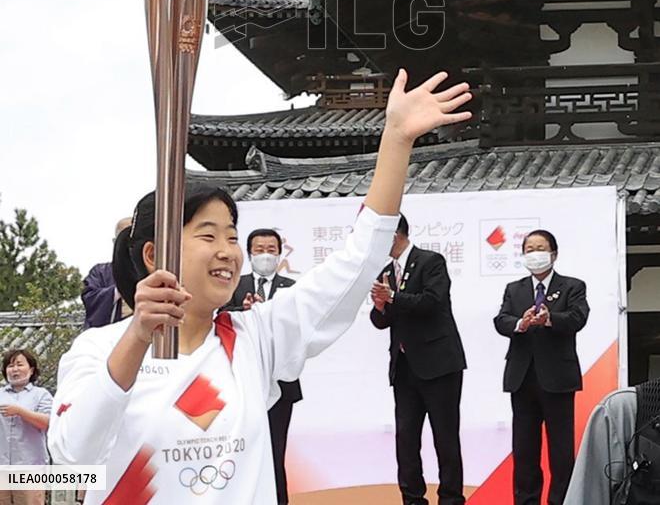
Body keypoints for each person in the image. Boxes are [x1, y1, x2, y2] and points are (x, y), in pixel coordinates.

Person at [48, 68, 472, 504]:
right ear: (154, 255)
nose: (228, 252)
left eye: (232, 237)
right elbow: (72, 454)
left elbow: (358, 261)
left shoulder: (254, 339)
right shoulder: (99, 351)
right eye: (209, 235)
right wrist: (139, 337)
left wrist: (396, 140)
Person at [369, 213, 467, 505]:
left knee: (445, 437)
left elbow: (432, 302)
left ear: (394, 234)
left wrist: (393, 297)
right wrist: (380, 306)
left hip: (439, 365)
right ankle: (412, 498)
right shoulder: (386, 271)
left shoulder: (430, 261)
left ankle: (451, 498)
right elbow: (382, 320)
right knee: (406, 438)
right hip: (404, 368)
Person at [494, 230, 590, 505]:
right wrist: (520, 324)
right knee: (524, 449)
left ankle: (561, 500)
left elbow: (578, 317)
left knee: (561, 450)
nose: (534, 254)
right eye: (529, 249)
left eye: (540, 248)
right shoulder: (515, 289)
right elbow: (501, 320)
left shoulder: (572, 286)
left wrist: (549, 319)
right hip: (522, 377)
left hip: (558, 378)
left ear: (553, 254)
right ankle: (526, 500)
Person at [229, 228, 302, 505]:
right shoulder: (234, 285)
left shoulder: (292, 288)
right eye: (259, 250)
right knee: (244, 451)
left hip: (281, 383)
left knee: (275, 450)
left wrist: (267, 315)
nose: (265, 255)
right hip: (243, 382)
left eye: (271, 250)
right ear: (249, 254)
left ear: (280, 254)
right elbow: (219, 319)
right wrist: (244, 313)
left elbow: (298, 328)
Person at [0, 348, 53, 505]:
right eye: (10, 366)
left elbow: (48, 422)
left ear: (31, 370)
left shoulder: (41, 395)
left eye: (19, 364)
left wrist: (20, 412)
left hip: (30, 468)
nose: (15, 369)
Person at [81, 217, 132, 328]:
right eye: (123, 239)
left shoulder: (151, 270)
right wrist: (121, 290)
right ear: (115, 242)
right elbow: (90, 298)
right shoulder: (100, 272)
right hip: (110, 333)